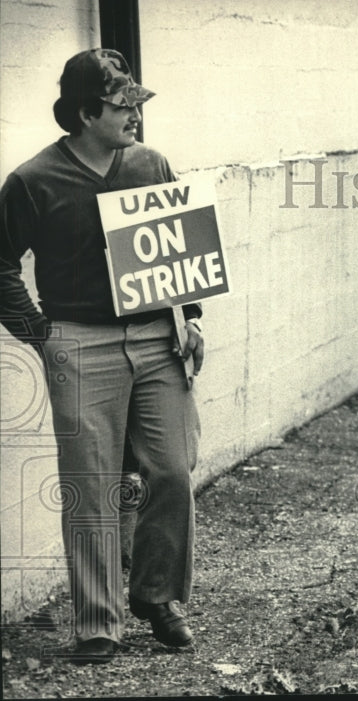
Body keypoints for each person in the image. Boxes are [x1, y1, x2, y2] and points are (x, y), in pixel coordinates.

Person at [0, 49, 205, 664]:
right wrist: (42, 333)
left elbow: (179, 245)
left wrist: (191, 317)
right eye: (123, 106)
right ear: (87, 113)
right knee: (91, 486)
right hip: (79, 340)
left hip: (155, 339)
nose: (135, 116)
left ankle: (156, 595)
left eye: (137, 105)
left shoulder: (150, 163)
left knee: (171, 471)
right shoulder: (33, 180)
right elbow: (1, 265)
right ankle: (98, 622)